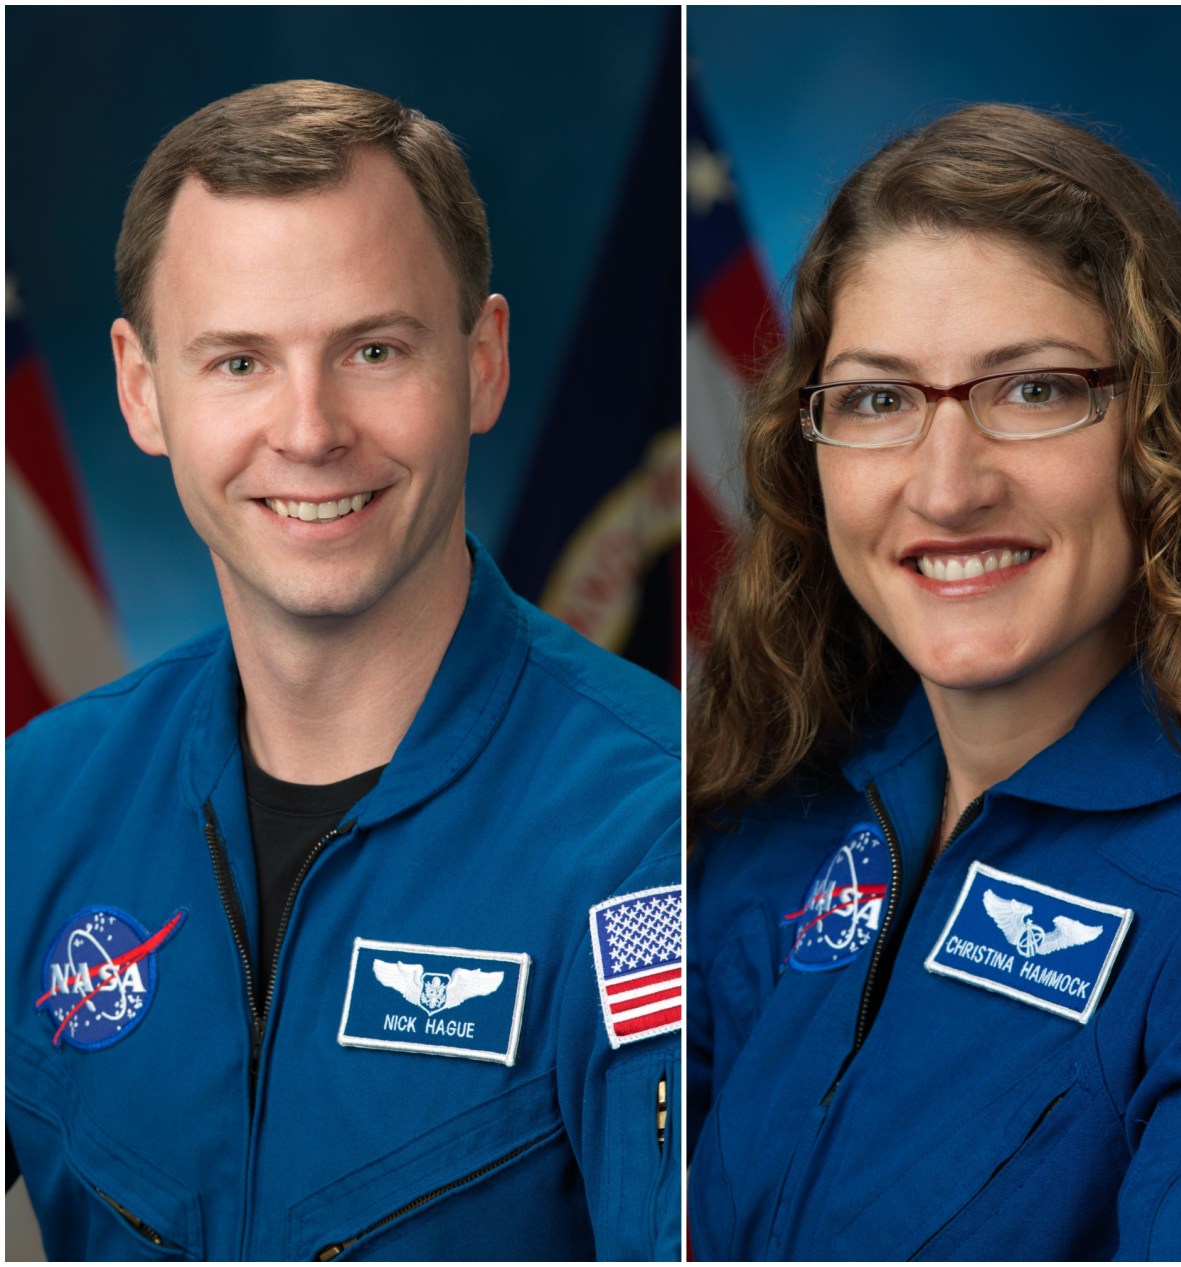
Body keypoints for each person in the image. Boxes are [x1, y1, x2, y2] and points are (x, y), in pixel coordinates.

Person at [4, 81, 681, 1260]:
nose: (309, 430)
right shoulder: (40, 800)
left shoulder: (655, 833)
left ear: (482, 362)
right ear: (140, 387)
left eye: (372, 349)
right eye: (237, 363)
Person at [686, 103, 1181, 1259]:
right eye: (878, 399)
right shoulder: (772, 824)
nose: (946, 488)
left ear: (1164, 433)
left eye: (1034, 390)